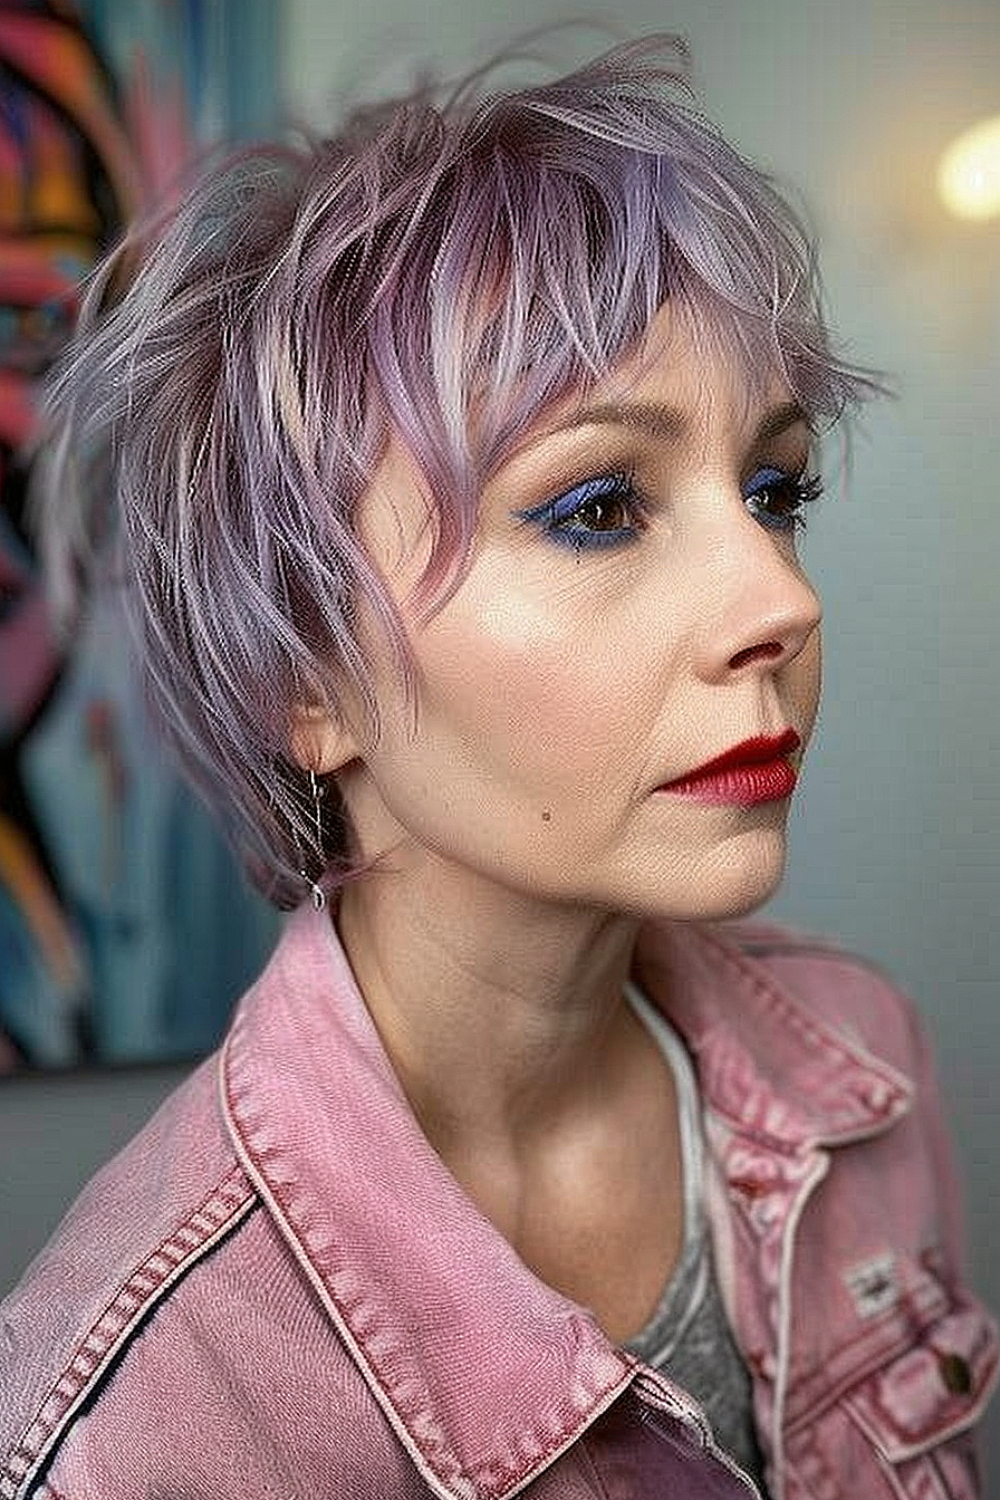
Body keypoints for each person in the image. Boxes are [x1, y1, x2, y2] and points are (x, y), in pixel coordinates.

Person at [0, 33, 995, 1500]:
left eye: (776, 488)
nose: (784, 603)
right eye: (599, 506)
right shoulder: (145, 1412)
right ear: (305, 678)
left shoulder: (861, 1063)